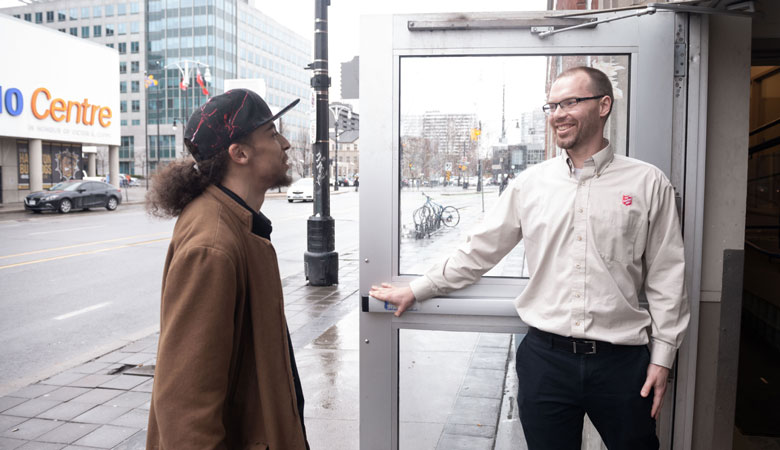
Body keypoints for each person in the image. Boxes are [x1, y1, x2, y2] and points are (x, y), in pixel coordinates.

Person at [370, 66, 689, 449]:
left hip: (623, 365)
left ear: (604, 105)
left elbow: (667, 276)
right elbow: (479, 250)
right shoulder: (530, 184)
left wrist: (663, 356)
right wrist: (418, 289)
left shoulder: (648, 183)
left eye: (570, 102)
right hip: (546, 363)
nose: (557, 114)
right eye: (551, 106)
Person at [145, 89, 309, 450]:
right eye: (271, 133)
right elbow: (185, 410)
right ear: (240, 153)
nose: (285, 143)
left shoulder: (235, 221)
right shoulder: (213, 245)